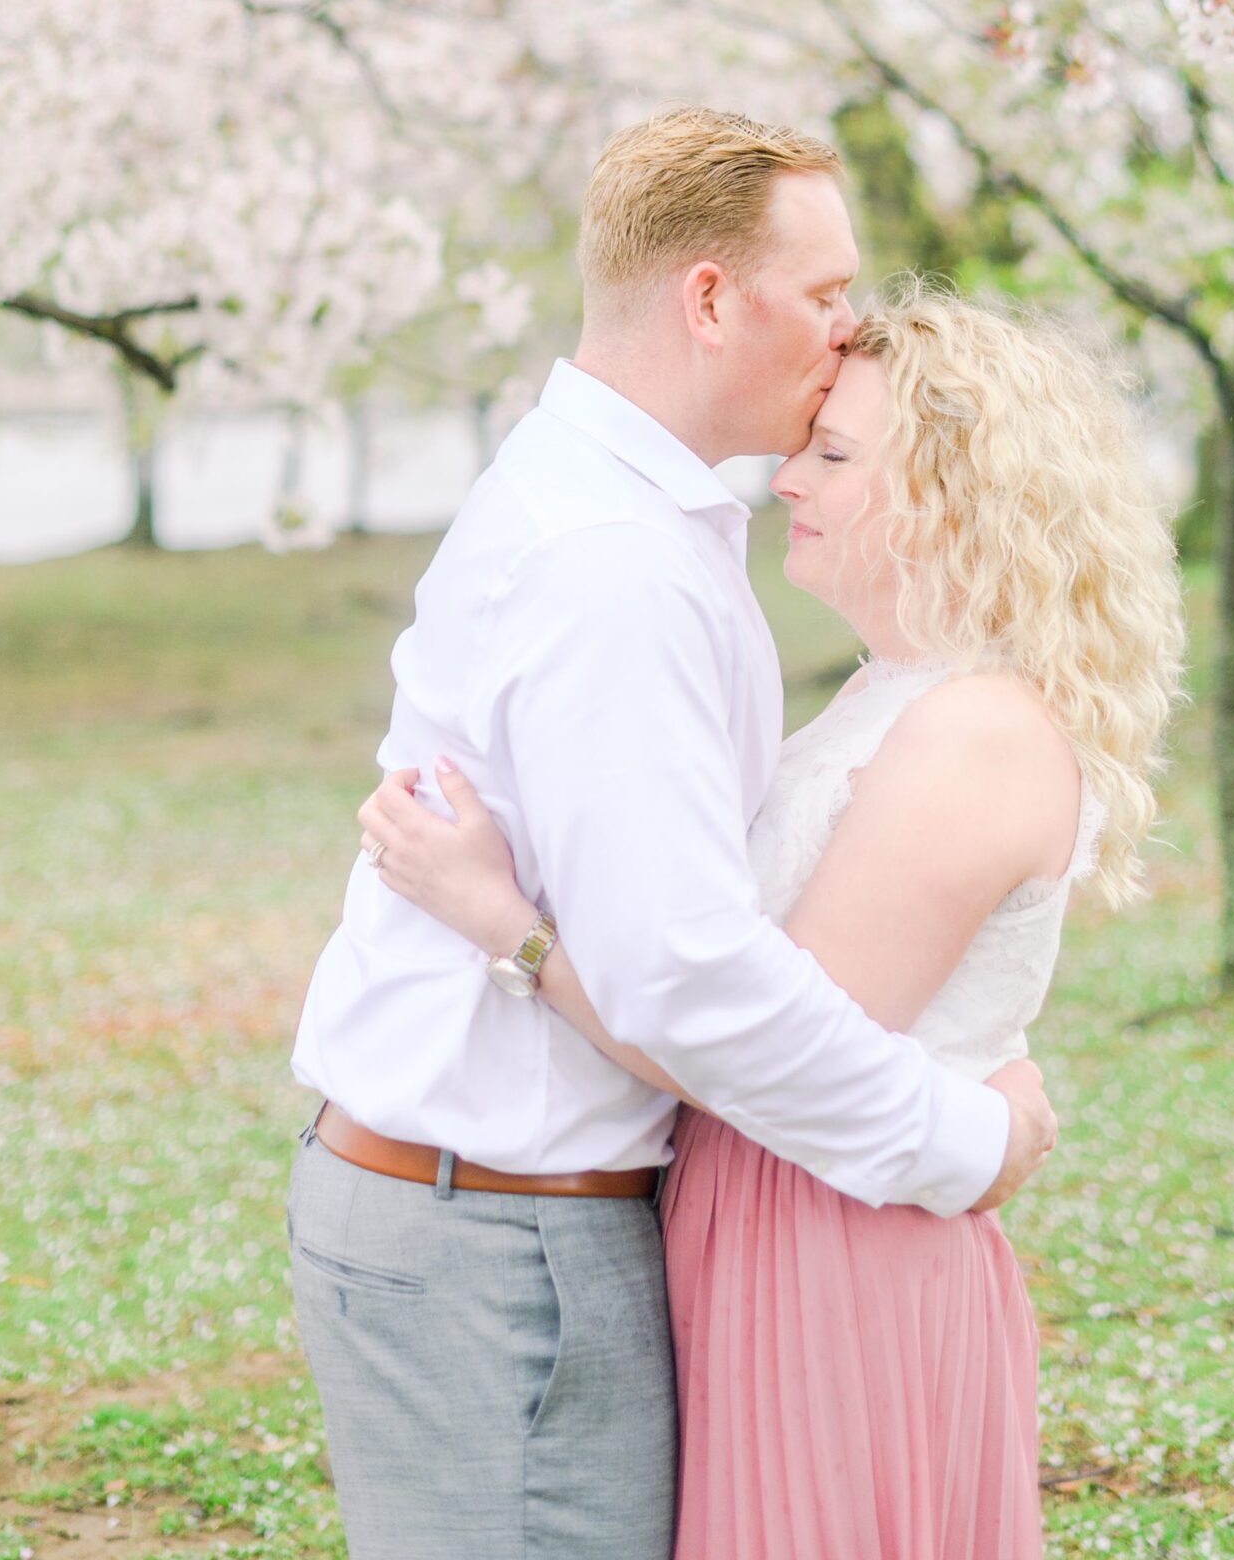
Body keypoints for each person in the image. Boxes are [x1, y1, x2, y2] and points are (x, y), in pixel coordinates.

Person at [287, 110, 1057, 1560]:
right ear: (711, 300)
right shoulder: (615, 565)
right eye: (826, 295)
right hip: (496, 1242)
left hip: (500, 1214)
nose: (845, 331)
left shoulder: (624, 517)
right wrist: (965, 1138)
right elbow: (686, 981)